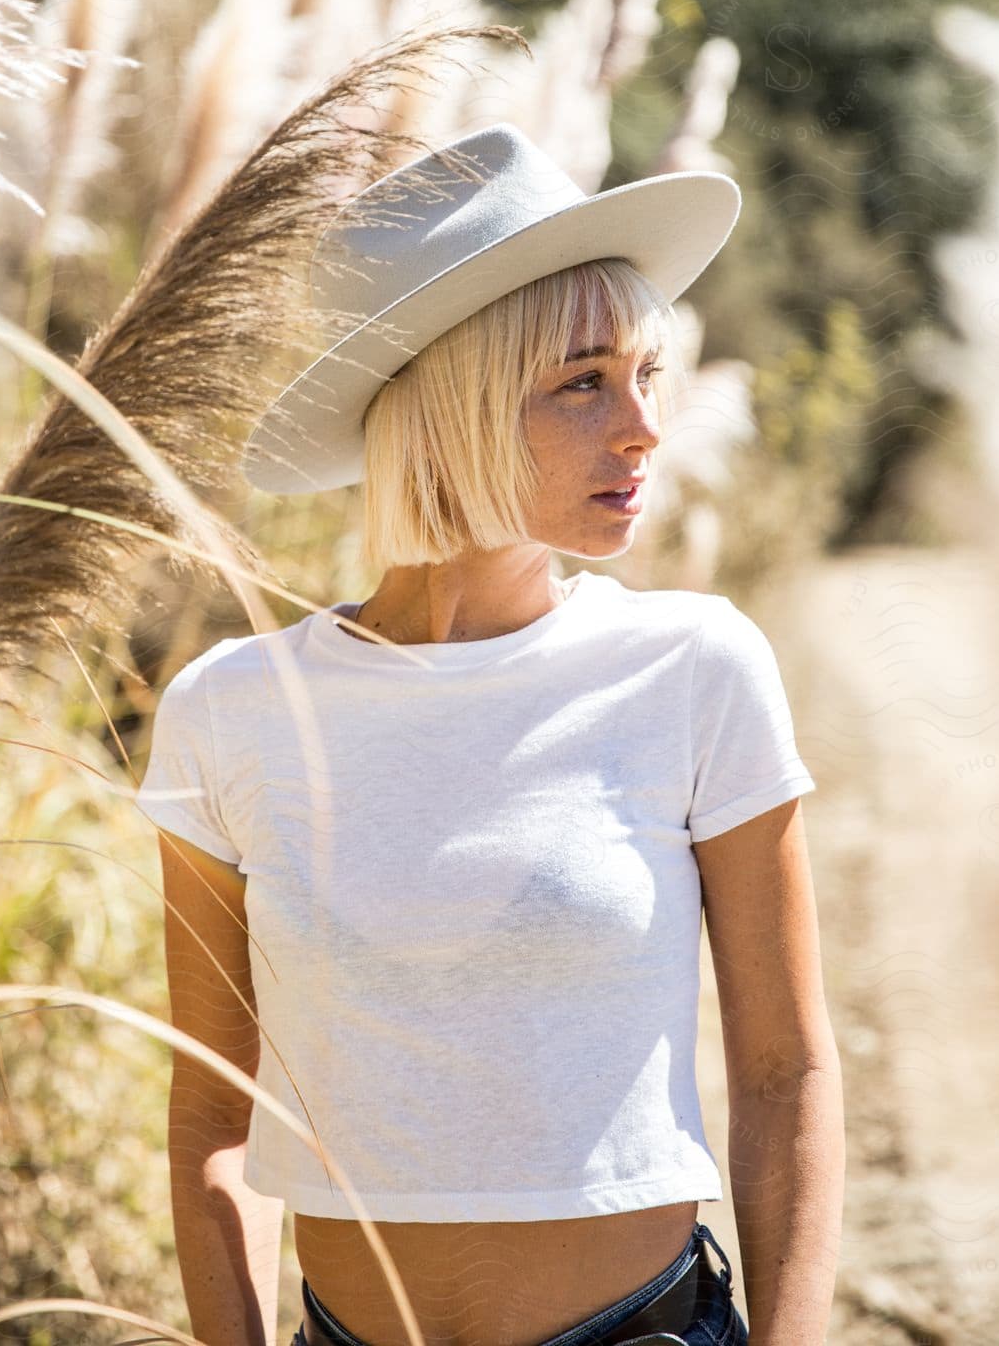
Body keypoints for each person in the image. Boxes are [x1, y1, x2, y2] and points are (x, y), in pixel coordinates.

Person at [135, 122, 845, 1346]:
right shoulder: (231, 712)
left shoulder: (693, 668)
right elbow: (215, 1118)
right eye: (583, 380)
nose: (642, 426)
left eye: (645, 373)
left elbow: (786, 1077)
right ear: (454, 404)